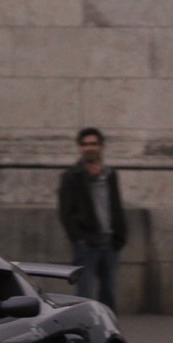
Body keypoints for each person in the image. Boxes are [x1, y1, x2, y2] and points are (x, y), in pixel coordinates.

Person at [56, 127, 127, 311]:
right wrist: (79, 239)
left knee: (109, 294)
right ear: (80, 148)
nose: (90, 148)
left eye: (94, 144)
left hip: (109, 243)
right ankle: (85, 332)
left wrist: (121, 236)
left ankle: (109, 333)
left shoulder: (110, 175)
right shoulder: (72, 176)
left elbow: (116, 206)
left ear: (101, 147)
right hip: (86, 244)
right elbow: (65, 212)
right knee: (85, 294)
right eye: (85, 144)